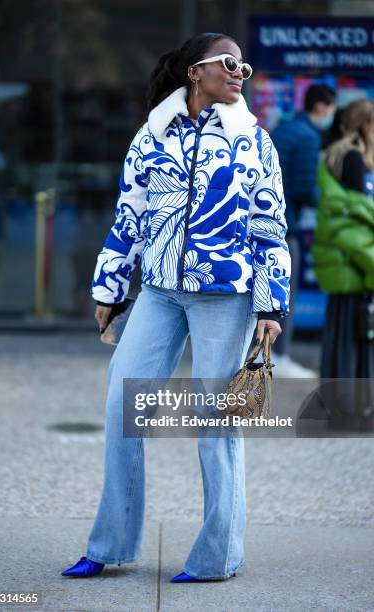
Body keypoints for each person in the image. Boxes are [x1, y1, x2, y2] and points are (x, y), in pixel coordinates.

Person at [61, 32, 291, 582]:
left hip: (226, 297)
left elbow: (269, 225)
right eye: (229, 63)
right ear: (196, 71)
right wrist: (110, 289)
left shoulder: (253, 141)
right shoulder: (152, 134)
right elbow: (129, 215)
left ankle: (217, 558)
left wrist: (271, 306)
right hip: (160, 292)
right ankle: (111, 544)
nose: (241, 73)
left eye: (245, 67)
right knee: (122, 407)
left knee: (215, 424)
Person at [270, 84, 336, 377]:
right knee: (286, 295)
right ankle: (279, 356)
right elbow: (303, 189)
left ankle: (264, 355)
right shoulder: (309, 136)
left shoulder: (283, 128)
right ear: (322, 107)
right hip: (286, 226)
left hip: (264, 222)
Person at [313, 99, 374, 386]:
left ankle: (344, 405)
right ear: (365, 125)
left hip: (347, 260)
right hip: (355, 261)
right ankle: (352, 407)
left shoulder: (339, 155)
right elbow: (359, 214)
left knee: (345, 333)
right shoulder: (352, 159)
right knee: (356, 336)